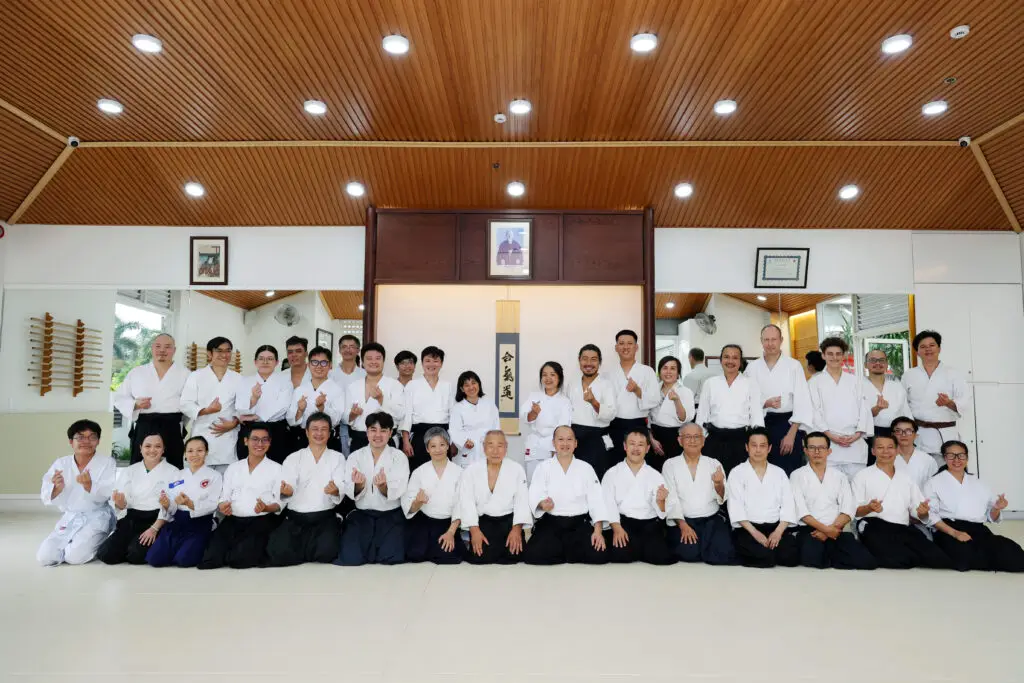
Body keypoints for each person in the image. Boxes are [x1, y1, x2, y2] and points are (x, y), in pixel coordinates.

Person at [851, 435, 951, 570]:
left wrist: (923, 513)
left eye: (890, 447)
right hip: (874, 526)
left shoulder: (905, 477)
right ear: (873, 451)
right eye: (880, 448)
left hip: (903, 527)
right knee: (899, 561)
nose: (885, 451)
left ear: (897, 450)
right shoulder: (862, 475)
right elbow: (854, 510)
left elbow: (918, 511)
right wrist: (869, 508)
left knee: (940, 559)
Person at [924, 441, 1024, 572]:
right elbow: (931, 515)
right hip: (949, 529)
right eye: (951, 456)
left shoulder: (978, 482)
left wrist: (997, 508)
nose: (957, 460)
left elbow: (990, 516)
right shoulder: (933, 482)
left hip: (978, 530)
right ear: (944, 458)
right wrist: (955, 533)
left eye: (961, 455)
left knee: (1012, 553)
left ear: (967, 458)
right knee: (962, 557)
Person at [198, 423, 283, 569]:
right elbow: (224, 497)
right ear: (245, 441)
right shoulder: (234, 468)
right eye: (255, 439)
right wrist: (223, 506)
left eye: (264, 440)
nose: (259, 444)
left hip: (261, 520)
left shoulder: (277, 469)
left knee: (238, 561)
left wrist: (267, 507)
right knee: (209, 560)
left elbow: (280, 503)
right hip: (234, 520)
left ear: (269, 442)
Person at [266, 412, 346, 566]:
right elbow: (286, 485)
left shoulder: (337, 458)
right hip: (297, 518)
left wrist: (335, 490)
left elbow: (340, 486)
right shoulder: (293, 458)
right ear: (306, 432)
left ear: (330, 433)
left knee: (326, 553)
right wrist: (286, 491)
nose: (319, 433)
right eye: (315, 429)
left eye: (324, 429)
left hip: (324, 517)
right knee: (279, 553)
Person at [789, 432, 878, 570]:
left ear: (829, 451)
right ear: (805, 450)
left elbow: (848, 508)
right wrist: (825, 530)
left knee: (868, 562)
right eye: (812, 447)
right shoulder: (797, 475)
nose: (817, 452)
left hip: (836, 528)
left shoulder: (840, 476)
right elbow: (801, 511)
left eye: (821, 448)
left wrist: (830, 530)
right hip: (810, 530)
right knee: (815, 560)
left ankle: (831, 552)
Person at [523, 426, 609, 565]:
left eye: (569, 439)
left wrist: (598, 531)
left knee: (599, 556)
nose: (565, 444)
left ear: (576, 443)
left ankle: (563, 550)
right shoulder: (543, 467)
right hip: (552, 522)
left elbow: (596, 500)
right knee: (532, 555)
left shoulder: (586, 468)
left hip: (579, 524)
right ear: (553, 443)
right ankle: (567, 551)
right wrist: (542, 504)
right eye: (560, 439)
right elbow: (535, 492)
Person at [37, 420, 117, 566]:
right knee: (45, 557)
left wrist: (90, 486)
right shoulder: (61, 463)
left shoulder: (107, 462)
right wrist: (56, 489)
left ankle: (101, 537)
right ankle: (77, 540)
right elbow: (46, 494)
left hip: (97, 516)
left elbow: (109, 492)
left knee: (75, 557)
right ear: (71, 442)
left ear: (98, 441)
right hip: (71, 516)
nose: (86, 441)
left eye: (92, 437)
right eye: (80, 437)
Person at [336, 411, 410, 565]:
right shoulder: (355, 456)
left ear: (390, 433)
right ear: (367, 432)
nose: (378, 435)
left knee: (390, 558)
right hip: (362, 515)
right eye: (373, 430)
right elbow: (349, 489)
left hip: (390, 515)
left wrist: (383, 487)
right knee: (351, 558)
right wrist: (359, 485)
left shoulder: (399, 457)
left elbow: (399, 489)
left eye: (383, 431)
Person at [97, 433, 179, 565]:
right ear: (140, 448)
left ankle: (144, 544)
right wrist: (120, 503)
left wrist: (154, 528)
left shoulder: (174, 472)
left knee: (135, 556)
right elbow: (121, 501)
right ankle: (129, 544)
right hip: (132, 517)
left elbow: (172, 504)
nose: (152, 450)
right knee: (106, 555)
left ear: (163, 449)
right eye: (148, 446)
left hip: (156, 519)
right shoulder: (129, 471)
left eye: (157, 446)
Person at [744, 324, 814, 475]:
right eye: (766, 340)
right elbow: (745, 400)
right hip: (759, 424)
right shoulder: (752, 368)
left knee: (789, 471)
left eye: (774, 339)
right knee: (761, 470)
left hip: (787, 425)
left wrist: (792, 433)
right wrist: (764, 403)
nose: (770, 344)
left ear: (781, 340)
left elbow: (803, 401)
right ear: (761, 341)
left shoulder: (793, 366)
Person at [113, 333, 189, 468]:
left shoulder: (186, 374)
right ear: (152, 348)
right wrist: (135, 405)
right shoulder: (137, 372)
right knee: (140, 466)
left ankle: (172, 490)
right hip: (144, 425)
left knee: (173, 466)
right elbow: (120, 397)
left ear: (174, 350)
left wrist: (182, 423)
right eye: (158, 346)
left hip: (172, 426)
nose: (162, 350)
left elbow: (190, 403)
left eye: (167, 347)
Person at [727, 427, 800, 568]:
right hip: (749, 529)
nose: (758, 450)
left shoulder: (779, 473)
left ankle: (768, 550)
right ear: (746, 447)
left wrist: (778, 532)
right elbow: (736, 507)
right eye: (754, 445)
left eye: (762, 446)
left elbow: (788, 504)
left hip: (774, 527)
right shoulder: (737, 473)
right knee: (764, 558)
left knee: (791, 558)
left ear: (770, 448)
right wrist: (755, 533)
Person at [662, 423, 734, 565]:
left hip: (711, 520)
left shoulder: (714, 463)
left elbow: (722, 498)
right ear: (679, 441)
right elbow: (671, 499)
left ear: (703, 441)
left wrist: (719, 484)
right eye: (688, 437)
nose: (693, 440)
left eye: (697, 437)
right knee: (689, 554)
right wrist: (683, 525)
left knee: (723, 554)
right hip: (684, 521)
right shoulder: (670, 464)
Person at [147, 436, 222, 568]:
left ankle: (212, 527)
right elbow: (171, 506)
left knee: (184, 561)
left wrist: (190, 504)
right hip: (178, 521)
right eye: (190, 451)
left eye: (200, 450)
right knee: (155, 560)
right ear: (185, 454)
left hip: (200, 523)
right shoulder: (177, 475)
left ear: (206, 452)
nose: (195, 455)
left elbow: (213, 504)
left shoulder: (214, 476)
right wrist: (167, 505)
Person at [458, 430, 532, 564]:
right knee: (480, 558)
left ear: (506, 447)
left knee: (514, 556)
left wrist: (516, 529)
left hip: (508, 522)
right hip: (483, 522)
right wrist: (474, 531)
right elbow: (467, 501)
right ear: (484, 447)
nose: (495, 451)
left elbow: (522, 501)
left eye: (500, 446)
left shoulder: (516, 469)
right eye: (490, 445)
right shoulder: (471, 470)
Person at [601, 430, 675, 565]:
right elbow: (608, 504)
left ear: (647, 449)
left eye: (640, 445)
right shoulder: (612, 473)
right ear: (625, 446)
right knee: (621, 556)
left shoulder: (655, 475)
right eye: (632, 444)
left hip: (649, 524)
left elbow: (662, 512)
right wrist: (617, 528)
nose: (636, 448)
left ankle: (643, 546)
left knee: (661, 558)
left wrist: (661, 501)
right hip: (624, 524)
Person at [807, 337, 873, 480]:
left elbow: (864, 409)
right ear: (823, 355)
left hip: (854, 444)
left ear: (844, 356)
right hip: (828, 444)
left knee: (857, 489)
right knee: (831, 490)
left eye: (838, 354)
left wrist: (857, 434)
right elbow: (814, 411)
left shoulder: (855, 380)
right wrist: (831, 436)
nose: (834, 357)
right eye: (830, 354)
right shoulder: (814, 382)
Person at [902, 330, 971, 464]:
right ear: (917, 352)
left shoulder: (954, 373)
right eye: (923, 346)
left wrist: (949, 403)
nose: (928, 349)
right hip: (919, 434)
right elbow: (903, 405)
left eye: (932, 345)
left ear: (939, 348)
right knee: (920, 475)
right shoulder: (909, 375)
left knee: (948, 474)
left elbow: (965, 402)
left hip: (946, 434)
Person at [696, 344, 764, 474]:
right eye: (726, 357)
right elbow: (702, 415)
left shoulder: (751, 383)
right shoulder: (710, 383)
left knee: (741, 479)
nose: (730, 361)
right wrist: (701, 439)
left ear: (740, 361)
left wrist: (757, 443)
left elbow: (756, 415)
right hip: (714, 439)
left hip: (741, 439)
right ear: (721, 360)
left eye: (735, 358)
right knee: (713, 478)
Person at [179, 336, 243, 474]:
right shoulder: (196, 376)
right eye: (219, 351)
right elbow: (185, 404)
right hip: (203, 435)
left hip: (228, 439)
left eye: (228, 351)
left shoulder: (238, 378)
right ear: (209, 353)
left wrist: (234, 423)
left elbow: (243, 407)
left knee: (226, 484)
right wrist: (206, 410)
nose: (224, 355)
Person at [401, 427, 464, 563]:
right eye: (433, 446)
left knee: (448, 557)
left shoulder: (459, 472)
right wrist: (417, 502)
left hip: (449, 524)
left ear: (448, 446)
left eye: (442, 445)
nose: (438, 449)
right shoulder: (419, 472)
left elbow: (461, 504)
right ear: (427, 449)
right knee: (414, 555)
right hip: (425, 521)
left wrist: (451, 532)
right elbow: (408, 505)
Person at [604, 330, 660, 455]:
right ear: (616, 348)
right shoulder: (608, 374)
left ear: (636, 347)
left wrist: (637, 391)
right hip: (614, 425)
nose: (625, 347)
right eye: (621, 343)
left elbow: (655, 399)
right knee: (615, 462)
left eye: (630, 343)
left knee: (639, 462)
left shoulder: (647, 371)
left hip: (638, 425)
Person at [344, 343, 405, 452]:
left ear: (383, 362)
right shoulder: (353, 386)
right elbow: (344, 417)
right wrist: (353, 414)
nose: (373, 362)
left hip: (384, 440)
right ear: (362, 362)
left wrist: (381, 399)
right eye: (369, 359)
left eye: (378, 358)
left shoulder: (394, 385)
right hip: (359, 439)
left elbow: (400, 414)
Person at [400, 346, 454, 472]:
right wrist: (406, 441)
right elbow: (407, 415)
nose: (431, 364)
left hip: (443, 435)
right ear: (422, 363)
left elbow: (453, 416)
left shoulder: (448, 386)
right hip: (420, 436)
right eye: (428, 360)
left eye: (436, 361)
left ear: (441, 363)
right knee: (418, 472)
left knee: (443, 472)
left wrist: (453, 442)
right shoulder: (412, 385)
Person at [235, 345, 292, 463]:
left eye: (270, 359)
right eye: (261, 358)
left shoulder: (285, 382)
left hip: (275, 429)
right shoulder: (244, 381)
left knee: (276, 464)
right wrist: (253, 399)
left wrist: (256, 416)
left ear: (276, 362)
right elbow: (240, 407)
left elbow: (282, 406)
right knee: (247, 464)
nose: (265, 362)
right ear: (255, 362)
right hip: (249, 429)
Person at [568, 344, 617, 480]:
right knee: (575, 479)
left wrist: (594, 402)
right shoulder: (572, 384)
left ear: (599, 362)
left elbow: (611, 414)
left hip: (597, 441)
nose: (588, 363)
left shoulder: (607, 385)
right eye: (585, 359)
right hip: (576, 439)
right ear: (579, 361)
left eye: (593, 359)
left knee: (597, 480)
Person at [519, 361, 573, 482]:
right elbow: (524, 416)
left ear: (559, 378)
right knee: (532, 483)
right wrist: (534, 413)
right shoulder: (534, 396)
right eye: (544, 375)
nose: (548, 378)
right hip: (534, 446)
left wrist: (556, 450)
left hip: (553, 448)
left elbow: (563, 428)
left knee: (552, 485)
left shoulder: (564, 401)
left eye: (552, 375)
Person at [288, 346, 345, 452]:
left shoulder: (337, 389)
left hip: (328, 438)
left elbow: (336, 419)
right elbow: (291, 421)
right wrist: (300, 410)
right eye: (314, 362)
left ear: (330, 365)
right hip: (303, 438)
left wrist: (322, 408)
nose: (319, 366)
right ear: (308, 365)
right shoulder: (300, 390)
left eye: (324, 363)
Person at [648, 355, 696, 472]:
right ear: (659, 371)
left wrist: (676, 400)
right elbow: (646, 416)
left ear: (678, 373)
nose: (668, 372)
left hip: (675, 438)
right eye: (665, 368)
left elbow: (685, 418)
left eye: (673, 368)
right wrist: (651, 439)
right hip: (654, 438)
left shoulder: (685, 391)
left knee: (674, 473)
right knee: (655, 472)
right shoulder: (653, 390)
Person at [448, 370, 500, 468]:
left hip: (488, 448)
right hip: (468, 450)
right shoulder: (457, 408)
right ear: (462, 389)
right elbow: (454, 430)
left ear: (479, 384)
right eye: (466, 385)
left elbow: (496, 427)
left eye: (473, 383)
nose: (471, 387)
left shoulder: (490, 405)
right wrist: (464, 441)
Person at [862, 349, 911, 445]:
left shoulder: (897, 386)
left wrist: (908, 433)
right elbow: (855, 417)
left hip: (895, 434)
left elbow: (906, 413)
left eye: (881, 360)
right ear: (865, 365)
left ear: (886, 364)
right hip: (867, 435)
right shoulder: (857, 386)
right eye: (872, 360)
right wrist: (876, 409)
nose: (877, 363)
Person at [330, 334, 366, 455]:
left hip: (358, 424)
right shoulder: (330, 374)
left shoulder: (364, 374)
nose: (348, 350)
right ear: (339, 350)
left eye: (352, 347)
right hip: (335, 425)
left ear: (358, 350)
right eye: (344, 347)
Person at [278, 336, 312, 453]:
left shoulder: (316, 374)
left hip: (309, 430)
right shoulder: (280, 377)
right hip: (284, 431)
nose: (294, 355)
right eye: (290, 352)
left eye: (298, 351)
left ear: (306, 353)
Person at [891, 416, 938, 493]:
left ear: (916, 435)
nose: (903, 435)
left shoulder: (928, 460)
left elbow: (934, 488)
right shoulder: (885, 458)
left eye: (908, 431)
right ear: (892, 435)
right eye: (898, 431)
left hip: (922, 503)